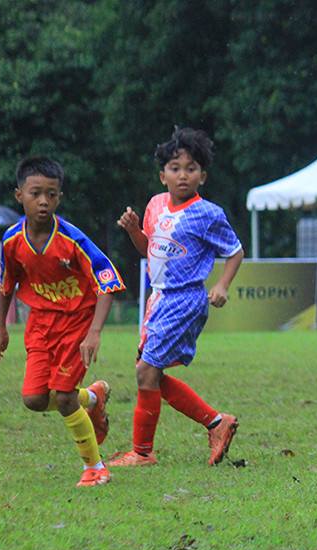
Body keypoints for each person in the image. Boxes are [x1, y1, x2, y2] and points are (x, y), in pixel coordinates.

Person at [113, 127, 243, 467]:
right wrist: (133, 232)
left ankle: (142, 453)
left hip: (184, 300)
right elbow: (149, 250)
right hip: (157, 299)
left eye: (190, 168)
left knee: (146, 372)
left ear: (202, 176)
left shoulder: (208, 214)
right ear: (162, 175)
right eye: (175, 168)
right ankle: (217, 422)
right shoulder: (155, 205)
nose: (182, 174)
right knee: (149, 374)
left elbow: (235, 251)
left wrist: (222, 286)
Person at [0, 156, 124, 486]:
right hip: (40, 324)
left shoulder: (73, 239)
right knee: (34, 400)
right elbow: (6, 283)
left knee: (64, 397)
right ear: (19, 195)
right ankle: (93, 398)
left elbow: (107, 282)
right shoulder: (12, 241)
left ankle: (95, 468)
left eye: (51, 194)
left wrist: (94, 333)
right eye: (35, 193)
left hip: (77, 322)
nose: (43, 201)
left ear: (59, 198)